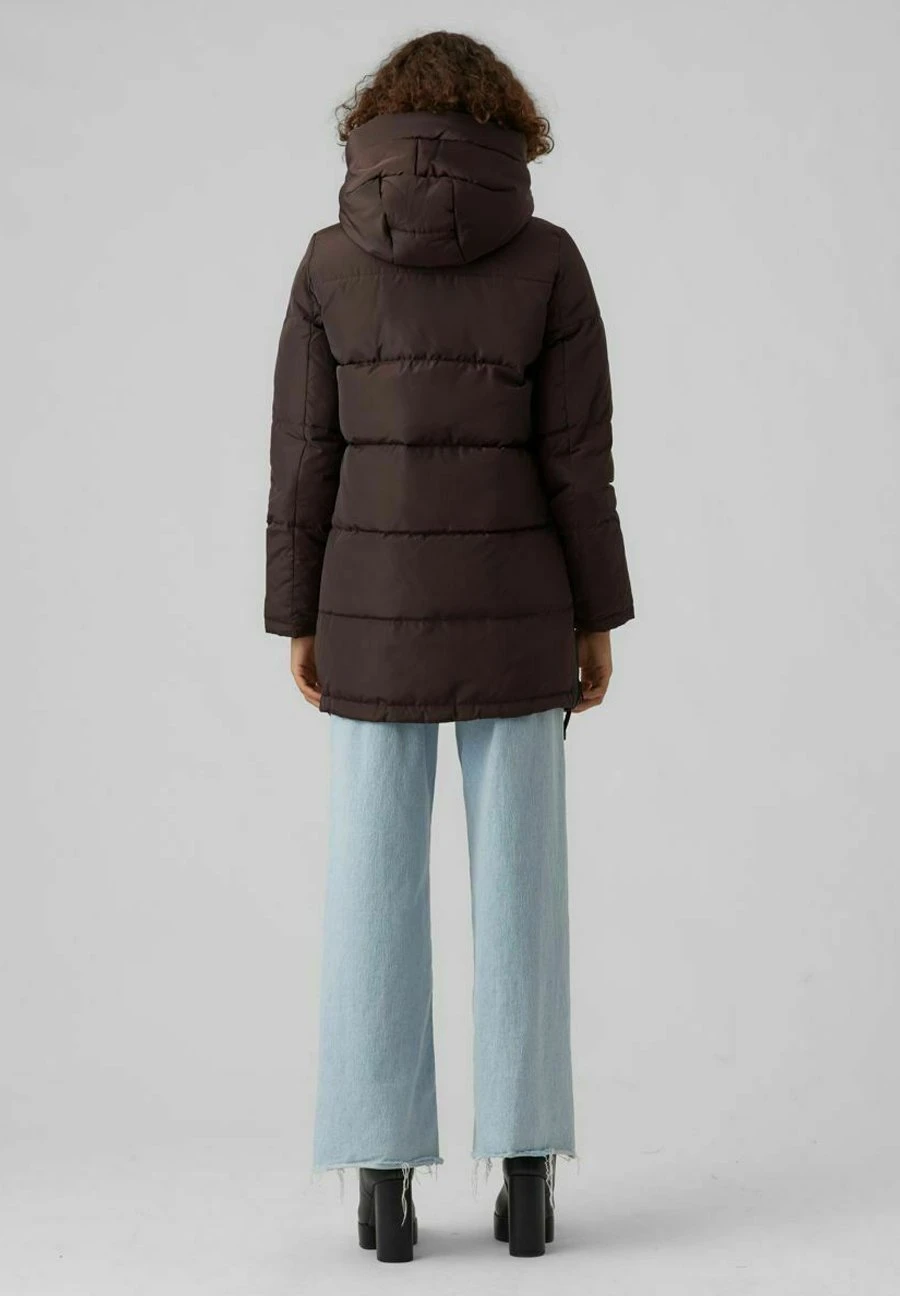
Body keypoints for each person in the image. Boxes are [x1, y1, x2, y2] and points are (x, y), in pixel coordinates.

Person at [264, 30, 634, 1262]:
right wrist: (594, 615)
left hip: (366, 611)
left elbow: (302, 460)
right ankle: (526, 1180)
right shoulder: (549, 259)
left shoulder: (328, 260)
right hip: (520, 607)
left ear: (374, 123)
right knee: (523, 890)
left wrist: (299, 615)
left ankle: (382, 1185)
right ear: (506, 125)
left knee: (371, 885)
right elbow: (578, 465)